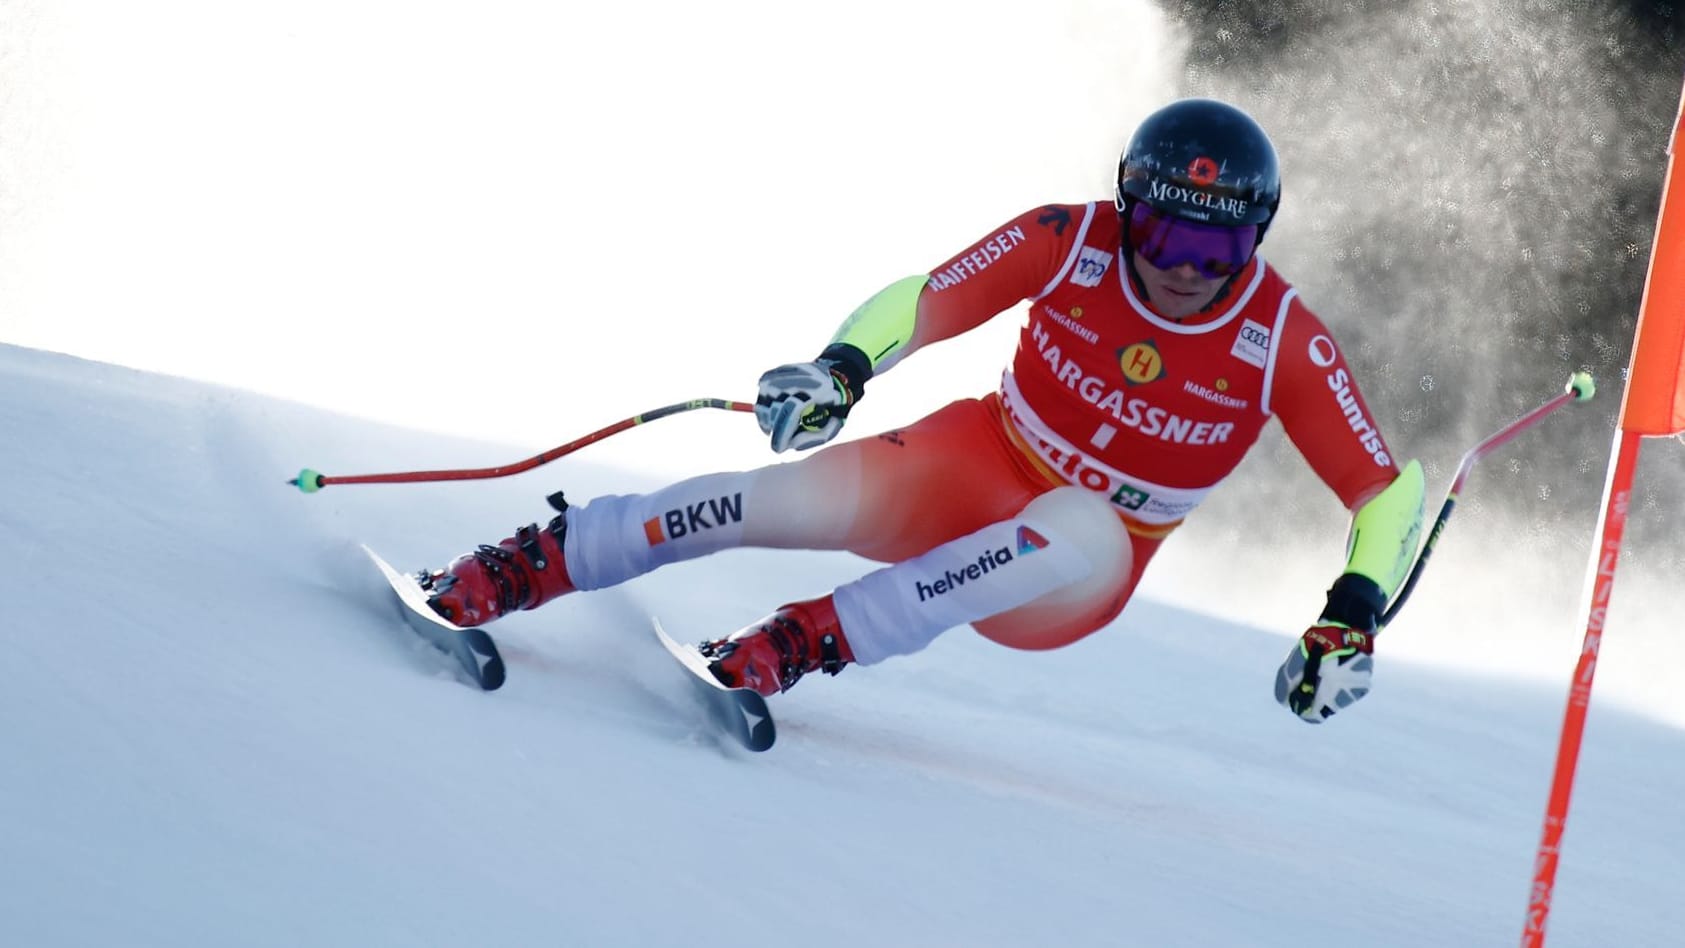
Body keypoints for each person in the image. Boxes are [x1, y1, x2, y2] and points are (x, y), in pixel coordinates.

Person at [417, 98, 1425, 724]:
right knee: (783, 501)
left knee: (1071, 524)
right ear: (1127, 205)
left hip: (1081, 560)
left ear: (1255, 241)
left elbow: (1381, 492)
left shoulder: (1281, 336)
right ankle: (528, 563)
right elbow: (929, 296)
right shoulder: (1068, 238)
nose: (1178, 271)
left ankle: (801, 641)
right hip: (976, 459)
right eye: (1159, 233)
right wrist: (842, 368)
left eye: (1215, 253)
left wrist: (1349, 617)